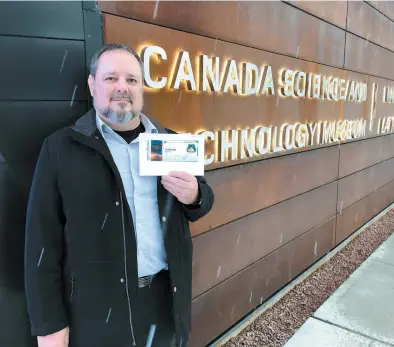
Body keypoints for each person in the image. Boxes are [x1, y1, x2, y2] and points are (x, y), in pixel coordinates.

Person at [24, 43, 214, 347]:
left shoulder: (170, 143)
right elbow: (41, 245)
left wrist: (194, 195)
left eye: (132, 80)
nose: (122, 88)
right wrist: (49, 325)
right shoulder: (61, 149)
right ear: (92, 84)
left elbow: (202, 200)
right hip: (95, 312)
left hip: (164, 303)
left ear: (142, 88)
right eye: (111, 78)